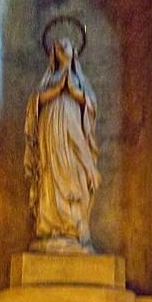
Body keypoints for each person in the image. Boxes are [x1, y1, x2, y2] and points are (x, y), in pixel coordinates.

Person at [24, 36, 100, 253]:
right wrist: (57, 90)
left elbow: (91, 104)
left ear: (74, 51)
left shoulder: (79, 80)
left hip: (73, 128)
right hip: (50, 132)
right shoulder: (49, 79)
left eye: (66, 43)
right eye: (58, 44)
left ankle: (75, 227)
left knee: (76, 171)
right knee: (50, 173)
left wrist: (74, 92)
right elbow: (34, 103)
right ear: (53, 54)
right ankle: (52, 227)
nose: (62, 46)